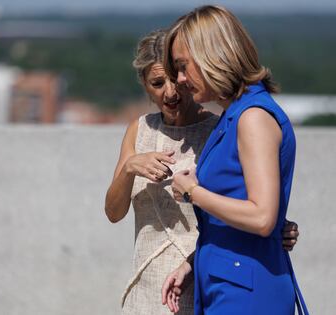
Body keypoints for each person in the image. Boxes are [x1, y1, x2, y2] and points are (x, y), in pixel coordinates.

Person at [105, 29, 299, 315]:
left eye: (177, 79)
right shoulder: (139, 130)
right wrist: (129, 168)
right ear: (145, 85)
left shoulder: (221, 129)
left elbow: (254, 204)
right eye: (158, 83)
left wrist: (278, 227)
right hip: (146, 288)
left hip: (201, 283)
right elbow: (113, 212)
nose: (170, 92)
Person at [161, 5, 308, 315]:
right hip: (228, 285)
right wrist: (192, 264)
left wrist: (192, 192)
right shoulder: (234, 115)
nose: (182, 80)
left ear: (214, 54)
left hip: (246, 294)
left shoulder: (252, 117)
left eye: (184, 66)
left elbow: (261, 217)